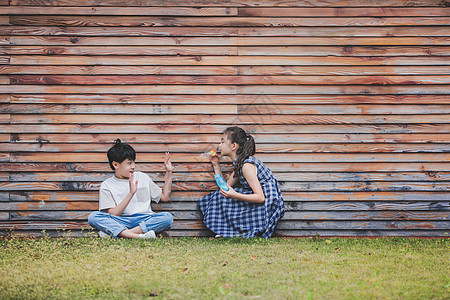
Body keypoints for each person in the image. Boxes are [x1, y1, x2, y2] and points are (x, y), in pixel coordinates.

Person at [198, 126, 285, 238]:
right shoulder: (239, 164)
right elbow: (225, 187)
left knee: (230, 196)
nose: (219, 145)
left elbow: (260, 197)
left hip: (268, 204)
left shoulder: (246, 166)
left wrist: (234, 195)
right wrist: (216, 165)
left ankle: (234, 232)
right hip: (259, 201)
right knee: (218, 196)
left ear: (234, 146)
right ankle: (228, 231)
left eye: (223, 142)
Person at [88, 139, 174, 238]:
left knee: (167, 218)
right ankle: (140, 236)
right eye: (129, 163)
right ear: (115, 164)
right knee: (93, 217)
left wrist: (169, 172)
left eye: (133, 162)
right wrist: (131, 193)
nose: (133, 166)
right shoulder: (107, 185)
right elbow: (114, 213)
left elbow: (165, 197)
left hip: (144, 219)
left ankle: (123, 234)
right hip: (121, 220)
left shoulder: (143, 177)